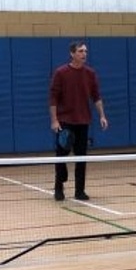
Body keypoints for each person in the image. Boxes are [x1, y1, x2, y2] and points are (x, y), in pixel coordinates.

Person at [49, 40, 108, 202]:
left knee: (81, 158)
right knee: (61, 157)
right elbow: (53, 98)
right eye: (81, 51)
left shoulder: (90, 74)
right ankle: (59, 187)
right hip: (65, 122)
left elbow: (96, 97)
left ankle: (79, 191)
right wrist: (54, 120)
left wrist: (102, 115)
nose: (84, 54)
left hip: (83, 122)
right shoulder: (60, 73)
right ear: (72, 53)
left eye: (85, 51)